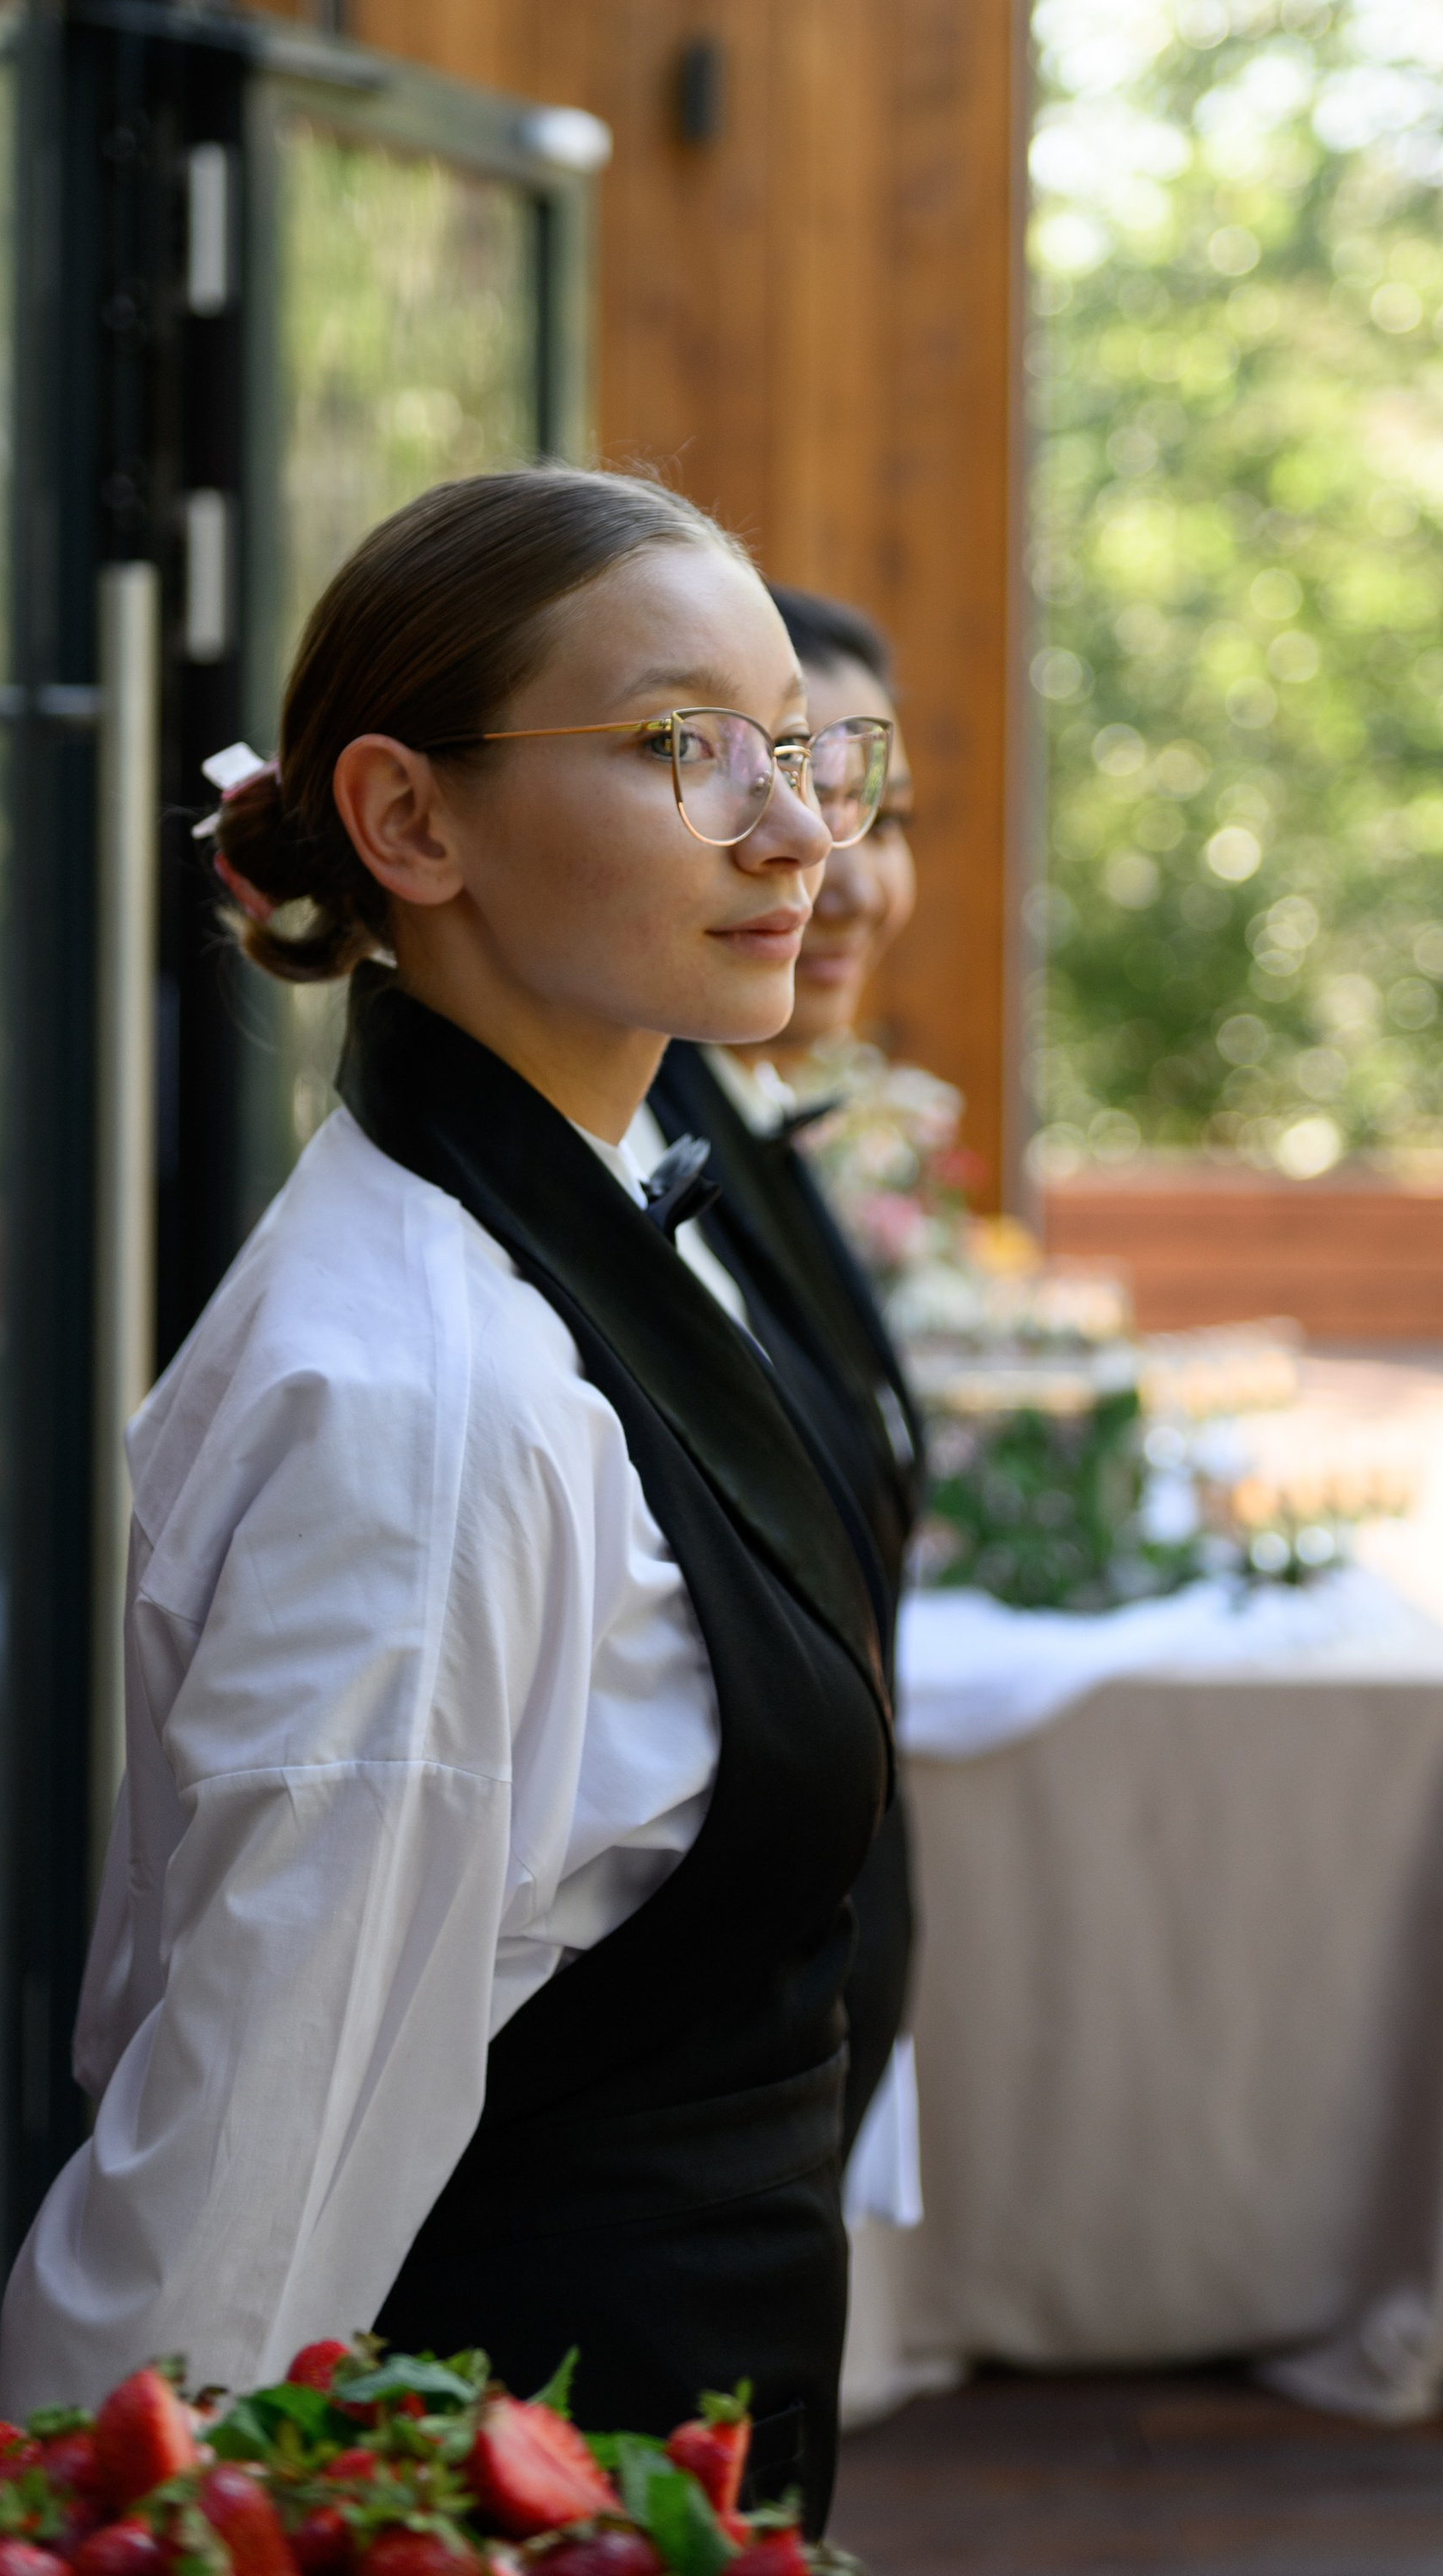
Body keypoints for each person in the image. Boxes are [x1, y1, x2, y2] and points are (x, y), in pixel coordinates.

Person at [0, 468, 900, 2533]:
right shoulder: (430, 1409)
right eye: (682, 747)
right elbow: (244, 2157)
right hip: (477, 2493)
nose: (795, 829)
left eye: (806, 746)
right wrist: (79, 2516)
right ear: (411, 823)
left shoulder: (555, 1250)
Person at [634, 590, 926, 2189]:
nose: (836, 859)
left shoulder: (739, 1118)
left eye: (874, 797)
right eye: (755, 772)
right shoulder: (636, 1170)